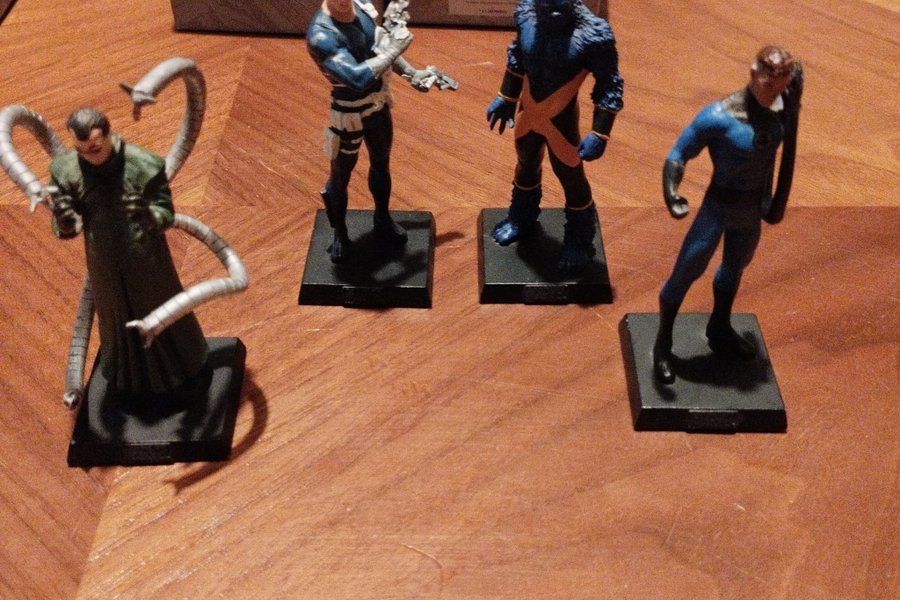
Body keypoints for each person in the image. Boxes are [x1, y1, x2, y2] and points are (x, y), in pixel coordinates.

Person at [653, 46, 804, 384]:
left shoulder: (779, 116)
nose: (773, 94)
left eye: (780, 89)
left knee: (735, 267)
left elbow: (773, 160)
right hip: (717, 207)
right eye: (768, 86)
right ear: (753, 74)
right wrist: (672, 192)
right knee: (687, 269)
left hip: (749, 212)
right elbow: (678, 154)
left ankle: (719, 326)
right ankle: (663, 343)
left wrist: (770, 201)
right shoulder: (718, 117)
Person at [49, 108, 208, 396]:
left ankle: (180, 369)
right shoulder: (65, 170)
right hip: (102, 260)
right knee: (114, 317)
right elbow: (66, 223)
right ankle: (127, 376)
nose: (89, 156)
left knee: (160, 308)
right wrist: (64, 219)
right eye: (81, 150)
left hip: (145, 257)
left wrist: (150, 216)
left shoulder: (143, 164)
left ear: (108, 135)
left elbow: (164, 210)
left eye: (95, 147)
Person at [307, 0, 455, 263]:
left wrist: (411, 73)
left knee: (381, 163)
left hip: (377, 104)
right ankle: (340, 233)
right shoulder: (322, 36)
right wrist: (394, 49)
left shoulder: (361, 7)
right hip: (348, 113)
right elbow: (356, 78)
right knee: (340, 175)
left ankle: (382, 217)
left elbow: (380, 47)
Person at [486, 0, 623, 273]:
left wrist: (600, 133)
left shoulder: (594, 34)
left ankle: (580, 241)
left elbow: (609, 85)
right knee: (525, 164)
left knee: (571, 176)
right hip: (528, 113)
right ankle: (521, 217)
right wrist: (506, 97)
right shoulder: (526, 15)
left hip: (561, 121)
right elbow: (517, 57)